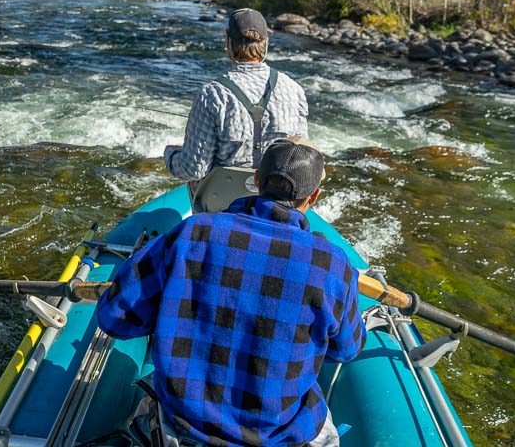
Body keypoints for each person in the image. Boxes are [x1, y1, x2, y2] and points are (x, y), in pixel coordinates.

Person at [98, 137, 366, 447]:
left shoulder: (193, 232)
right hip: (279, 435)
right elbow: (346, 350)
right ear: (314, 196)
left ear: (255, 180)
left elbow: (114, 318)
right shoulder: (331, 264)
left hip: (186, 425)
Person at [164, 8, 309, 182]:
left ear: (227, 41)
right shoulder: (294, 90)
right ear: (266, 42)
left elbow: (193, 171)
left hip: (222, 205)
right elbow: (301, 159)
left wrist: (170, 154)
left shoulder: (211, 95)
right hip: (275, 204)